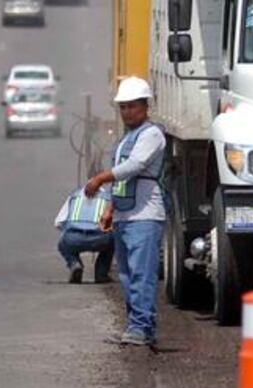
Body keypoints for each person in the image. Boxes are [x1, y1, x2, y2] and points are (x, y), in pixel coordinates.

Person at [84, 77, 166, 346]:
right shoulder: (125, 139)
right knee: (127, 275)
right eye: (123, 107)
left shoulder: (151, 135)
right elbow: (121, 179)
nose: (127, 112)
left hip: (145, 215)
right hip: (124, 215)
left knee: (142, 274)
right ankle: (136, 325)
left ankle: (141, 327)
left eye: (132, 106)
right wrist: (110, 207)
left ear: (145, 106)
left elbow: (134, 166)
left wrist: (100, 179)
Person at [53, 188, 114, 284]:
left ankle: (74, 263)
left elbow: (58, 223)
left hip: (74, 238)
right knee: (112, 242)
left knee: (62, 244)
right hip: (100, 239)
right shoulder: (109, 198)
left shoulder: (74, 195)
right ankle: (101, 274)